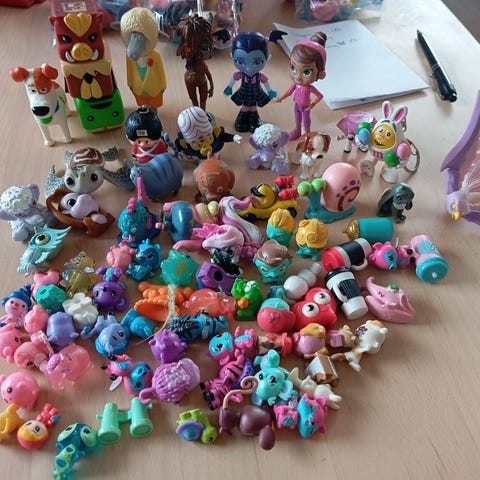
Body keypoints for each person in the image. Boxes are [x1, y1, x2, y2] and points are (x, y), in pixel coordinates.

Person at [224, 30, 285, 133]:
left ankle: (254, 120)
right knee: (245, 106)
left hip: (256, 93)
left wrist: (270, 91)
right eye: (240, 62)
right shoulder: (240, 75)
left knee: (253, 107)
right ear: (232, 57)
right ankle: (242, 119)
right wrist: (229, 87)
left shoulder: (260, 76)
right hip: (244, 92)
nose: (248, 69)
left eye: (257, 62)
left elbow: (266, 83)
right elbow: (234, 79)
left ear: (267, 58)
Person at [274, 32, 327, 141]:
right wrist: (281, 98)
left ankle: (307, 133)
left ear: (321, 74)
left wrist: (312, 104)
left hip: (306, 106)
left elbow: (320, 96)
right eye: (293, 68)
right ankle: (297, 130)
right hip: (297, 105)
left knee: (306, 120)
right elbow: (289, 92)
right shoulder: (296, 85)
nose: (297, 77)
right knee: (297, 118)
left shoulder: (309, 88)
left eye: (306, 72)